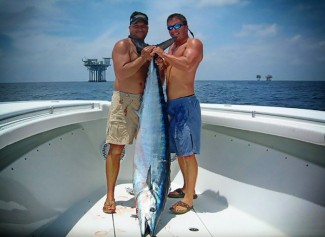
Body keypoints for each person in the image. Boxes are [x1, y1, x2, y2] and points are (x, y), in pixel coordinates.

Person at [103, 11, 155, 214]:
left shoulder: (148, 49)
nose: (140, 28)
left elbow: (153, 77)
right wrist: (143, 58)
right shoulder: (123, 45)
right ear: (130, 27)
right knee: (116, 149)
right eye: (136, 25)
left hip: (147, 102)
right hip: (124, 101)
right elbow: (122, 73)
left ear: (147, 28)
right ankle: (110, 196)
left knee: (148, 152)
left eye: (143, 26)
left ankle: (146, 190)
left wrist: (156, 63)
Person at [152, 13, 203, 215]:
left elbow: (187, 64)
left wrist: (163, 55)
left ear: (186, 25)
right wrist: (160, 66)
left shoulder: (194, 44)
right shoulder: (171, 49)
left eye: (177, 26)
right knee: (180, 152)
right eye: (170, 28)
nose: (173, 31)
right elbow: (165, 78)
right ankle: (185, 187)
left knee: (188, 153)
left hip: (186, 105)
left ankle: (189, 198)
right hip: (171, 105)